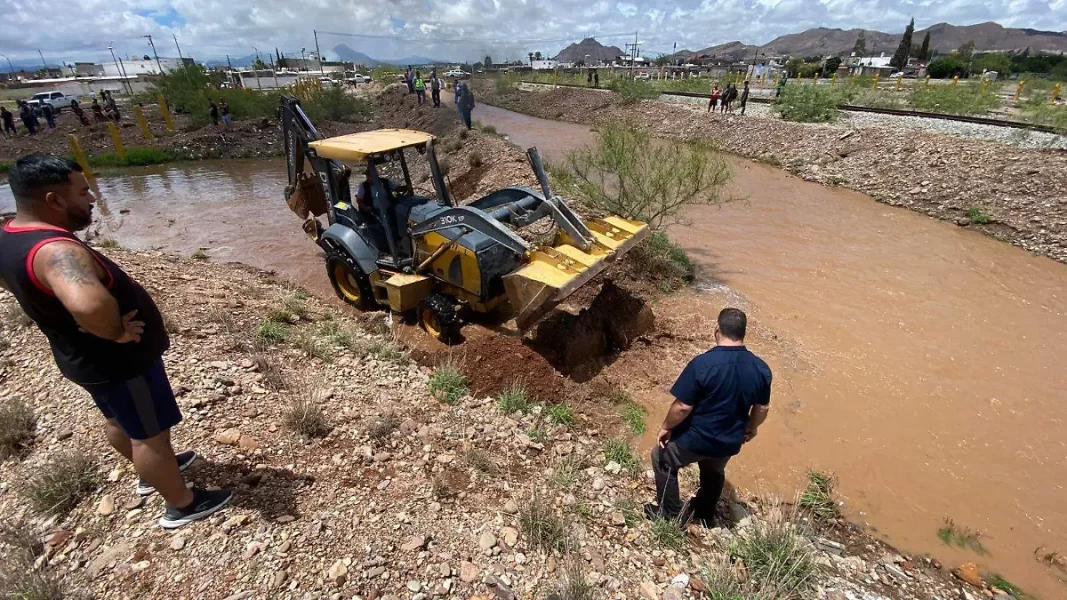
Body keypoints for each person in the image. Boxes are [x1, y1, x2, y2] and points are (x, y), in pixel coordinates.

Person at [0, 154, 233, 529]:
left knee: (120, 420)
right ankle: (182, 503)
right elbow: (88, 304)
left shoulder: (10, 235)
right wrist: (117, 331)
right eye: (82, 192)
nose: (92, 198)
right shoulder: (57, 252)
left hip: (83, 359)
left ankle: (154, 473)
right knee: (150, 437)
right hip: (121, 362)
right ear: (53, 200)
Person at [647, 308, 771, 526]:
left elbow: (682, 407)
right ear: (743, 333)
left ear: (717, 329)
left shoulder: (703, 364)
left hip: (696, 438)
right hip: (729, 440)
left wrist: (666, 427)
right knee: (714, 471)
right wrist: (752, 427)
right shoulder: (761, 368)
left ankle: (670, 514)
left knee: (661, 457)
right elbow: (762, 408)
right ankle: (705, 513)